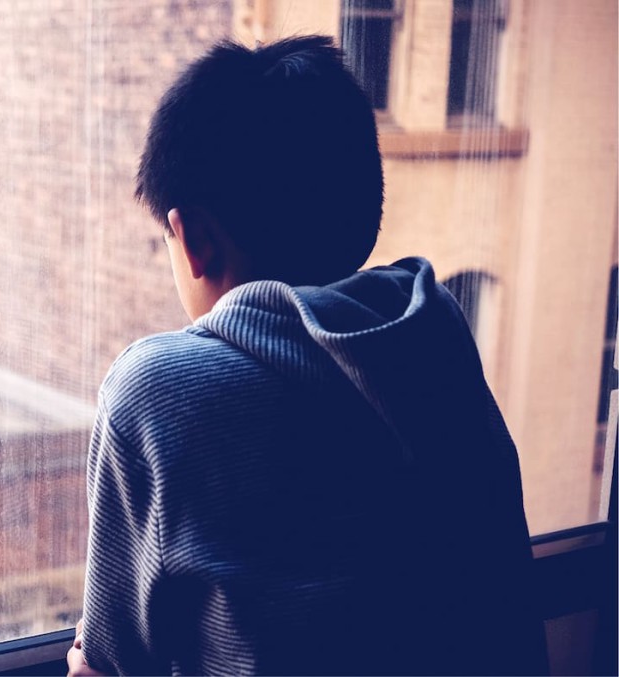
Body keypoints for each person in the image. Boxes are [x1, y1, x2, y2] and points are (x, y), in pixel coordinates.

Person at [68, 35, 547, 676]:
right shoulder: (435, 337)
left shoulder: (158, 391)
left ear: (194, 240)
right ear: (365, 206)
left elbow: (113, 660)